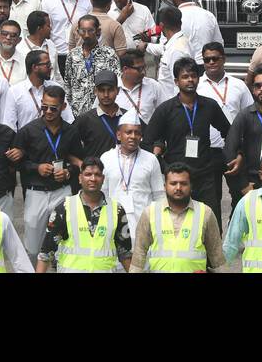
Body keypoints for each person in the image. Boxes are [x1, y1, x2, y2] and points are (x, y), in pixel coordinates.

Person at [147, 57, 234, 224]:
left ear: (198, 78)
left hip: (205, 176)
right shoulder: (166, 109)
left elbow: (228, 132)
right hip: (177, 177)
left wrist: (226, 157)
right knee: (177, 223)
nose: (190, 80)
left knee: (211, 222)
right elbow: (148, 140)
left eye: (193, 76)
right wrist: (164, 166)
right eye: (185, 77)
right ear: (176, 81)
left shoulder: (209, 106)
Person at [14, 84, 78, 257]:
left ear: (63, 107)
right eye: (44, 107)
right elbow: (18, 163)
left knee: (64, 243)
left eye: (53, 108)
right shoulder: (28, 131)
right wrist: (37, 168)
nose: (48, 111)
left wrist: (68, 172)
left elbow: (78, 161)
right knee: (33, 246)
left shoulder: (71, 131)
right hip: (36, 193)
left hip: (62, 191)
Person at [36, 158, 131, 272]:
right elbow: (46, 253)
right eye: (88, 174)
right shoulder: (64, 208)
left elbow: (125, 254)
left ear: (103, 179)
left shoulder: (117, 210)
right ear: (80, 178)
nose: (93, 179)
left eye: (97, 175)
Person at [129, 164, 228, 273]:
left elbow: (217, 256)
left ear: (191, 186)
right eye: (173, 183)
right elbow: (139, 253)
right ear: (164, 186)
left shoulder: (205, 213)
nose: (178, 188)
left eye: (184, 184)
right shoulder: (150, 212)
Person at [100, 111, 164, 220]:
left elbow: (159, 195)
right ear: (119, 135)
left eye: (137, 133)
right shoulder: (106, 158)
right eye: (128, 132)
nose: (133, 136)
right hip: (113, 221)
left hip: (144, 221)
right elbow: (102, 193)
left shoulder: (151, 159)